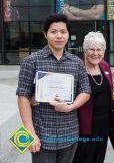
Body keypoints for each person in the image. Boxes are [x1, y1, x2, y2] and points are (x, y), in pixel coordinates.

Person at [16, 13, 91, 163]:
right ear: (45, 34)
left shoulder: (76, 62)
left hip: (69, 133)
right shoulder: (31, 61)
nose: (59, 36)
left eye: (63, 32)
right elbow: (23, 96)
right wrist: (30, 133)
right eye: (54, 31)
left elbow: (85, 91)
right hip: (41, 134)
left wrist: (70, 107)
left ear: (68, 34)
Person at [73, 32, 112, 163]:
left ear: (104, 51)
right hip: (85, 124)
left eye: (99, 49)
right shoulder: (78, 69)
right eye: (91, 49)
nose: (95, 53)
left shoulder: (105, 66)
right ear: (85, 50)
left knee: (99, 157)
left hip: (104, 123)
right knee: (84, 157)